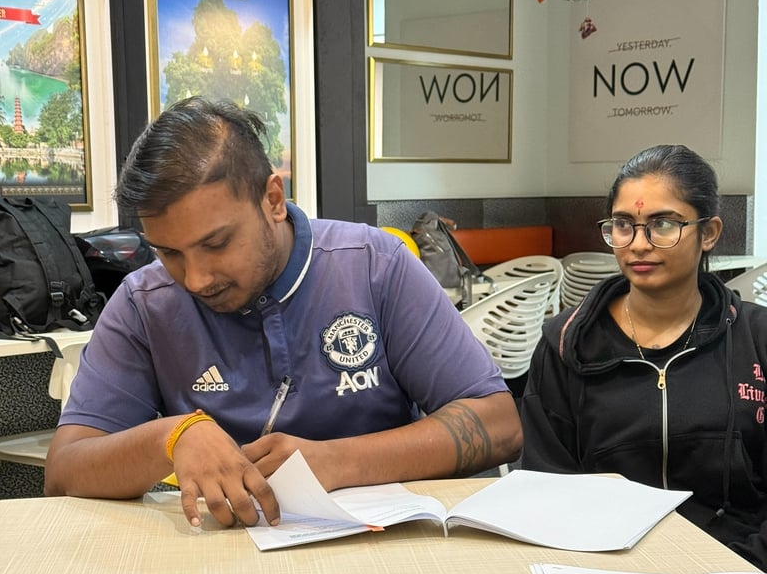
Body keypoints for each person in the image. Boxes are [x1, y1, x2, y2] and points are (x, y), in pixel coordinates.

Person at [44, 96, 521, 528]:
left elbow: (499, 425)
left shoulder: (375, 266)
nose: (196, 279)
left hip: (382, 550)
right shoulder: (144, 302)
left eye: (217, 243)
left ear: (272, 199)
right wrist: (171, 437)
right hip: (219, 567)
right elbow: (64, 473)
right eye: (168, 253)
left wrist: (337, 461)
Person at [520, 144, 767, 571]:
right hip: (605, 570)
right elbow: (546, 487)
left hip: (741, 571)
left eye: (663, 224)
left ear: (709, 233)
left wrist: (740, 569)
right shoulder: (566, 346)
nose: (638, 244)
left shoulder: (756, 339)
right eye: (623, 225)